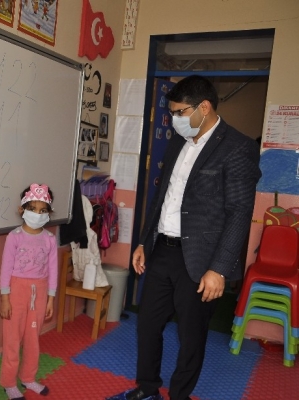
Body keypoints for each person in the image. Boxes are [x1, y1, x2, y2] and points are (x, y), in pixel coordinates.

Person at [106, 75, 261, 400]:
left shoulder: (238, 148)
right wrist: (144, 242)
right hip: (162, 250)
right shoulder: (178, 141)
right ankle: (147, 387)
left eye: (179, 112)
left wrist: (219, 269)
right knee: (148, 324)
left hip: (202, 260)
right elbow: (162, 197)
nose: (174, 119)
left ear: (204, 107)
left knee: (192, 336)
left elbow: (239, 213)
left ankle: (179, 396)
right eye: (172, 112)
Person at [0, 184, 57, 400]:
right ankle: (8, 382)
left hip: (40, 292)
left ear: (49, 213)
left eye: (43, 210)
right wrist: (5, 299)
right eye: (32, 209)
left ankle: (28, 377)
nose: (37, 214)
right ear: (22, 209)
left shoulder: (50, 239)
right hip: (16, 291)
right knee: (12, 340)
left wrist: (50, 298)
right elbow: (5, 269)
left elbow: (53, 269)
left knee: (33, 339)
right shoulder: (14, 237)